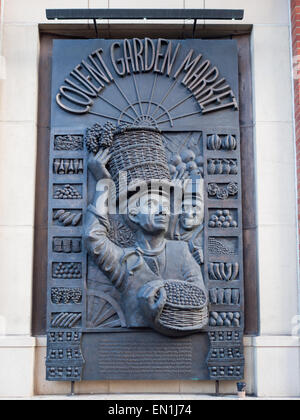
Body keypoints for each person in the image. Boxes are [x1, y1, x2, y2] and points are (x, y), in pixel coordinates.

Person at [84, 148, 208, 336]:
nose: (162, 211)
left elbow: (199, 294)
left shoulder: (181, 251)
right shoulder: (124, 262)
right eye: (152, 204)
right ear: (134, 214)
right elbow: (93, 236)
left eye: (165, 206)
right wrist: (103, 184)